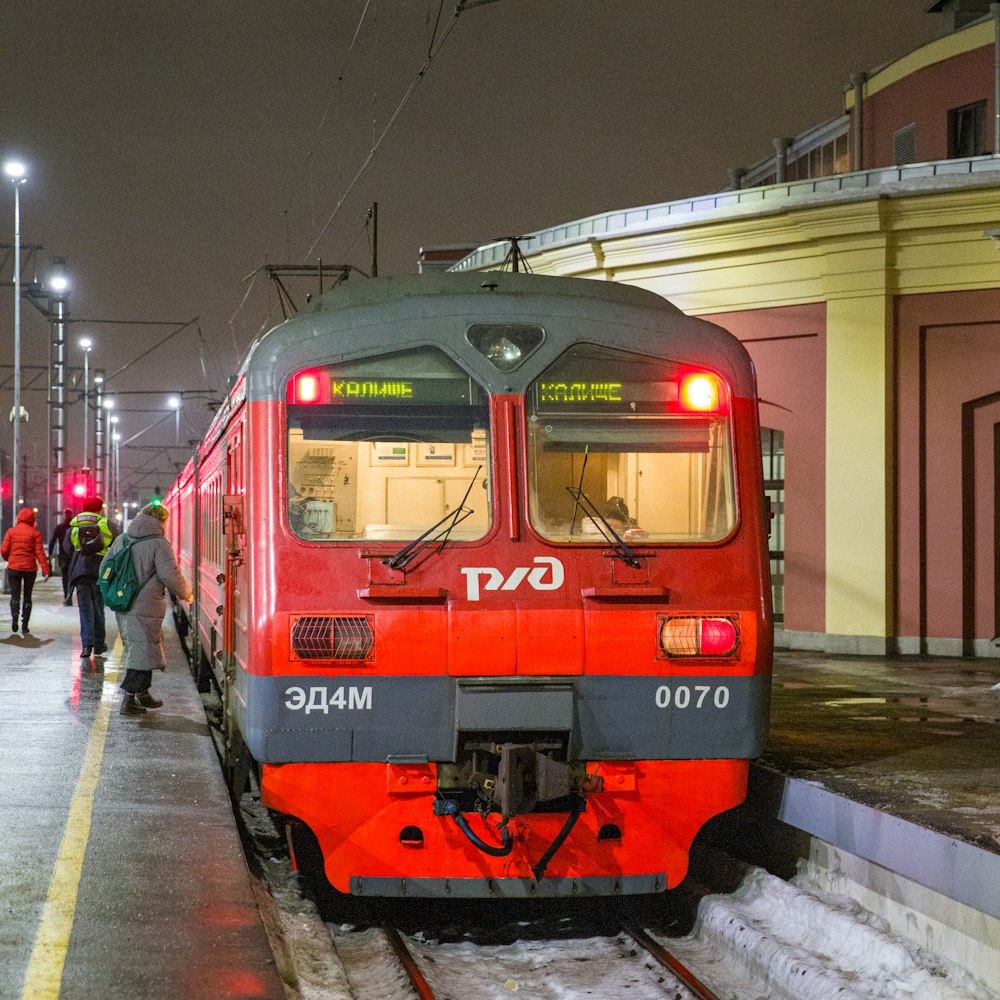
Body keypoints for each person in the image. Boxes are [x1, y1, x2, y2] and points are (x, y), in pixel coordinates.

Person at [101, 502, 192, 716]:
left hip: (124, 602)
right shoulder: (159, 544)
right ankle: (129, 700)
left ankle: (143, 694)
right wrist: (187, 593)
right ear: (161, 521)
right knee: (141, 650)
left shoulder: (122, 539)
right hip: (145, 603)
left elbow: (104, 566)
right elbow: (170, 576)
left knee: (141, 646)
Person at [64, 496, 114, 659]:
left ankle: (87, 646)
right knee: (98, 607)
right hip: (100, 572)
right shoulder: (106, 524)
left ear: (83, 509)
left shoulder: (73, 527)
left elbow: (67, 548)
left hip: (81, 572)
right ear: (100, 509)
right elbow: (118, 546)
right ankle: (99, 645)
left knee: (85, 610)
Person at [1, 507, 51, 634]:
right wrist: (45, 570)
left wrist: (10, 558)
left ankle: (14, 619)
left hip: (14, 568)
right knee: (27, 596)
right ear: (32, 519)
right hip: (29, 569)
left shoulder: (11, 532)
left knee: (15, 595)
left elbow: (4, 550)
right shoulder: (35, 533)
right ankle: (25, 625)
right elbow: (40, 553)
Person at [48, 507, 75, 604]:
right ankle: (69, 595)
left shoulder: (59, 528)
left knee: (65, 577)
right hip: (73, 555)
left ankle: (66, 596)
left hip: (63, 555)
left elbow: (52, 541)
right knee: (72, 577)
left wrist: (50, 554)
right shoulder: (75, 528)